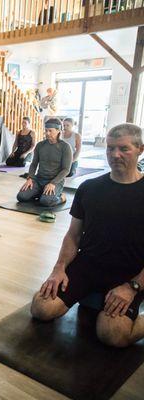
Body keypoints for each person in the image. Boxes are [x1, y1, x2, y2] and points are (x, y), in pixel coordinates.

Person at [30, 123, 144, 348]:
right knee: (41, 308)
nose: (115, 155)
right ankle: (92, 296)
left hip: (131, 273)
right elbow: (73, 236)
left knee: (112, 334)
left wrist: (133, 287)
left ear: (140, 149)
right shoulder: (89, 188)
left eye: (123, 149)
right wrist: (59, 268)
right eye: (110, 148)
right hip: (90, 263)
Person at [16, 118, 72, 206]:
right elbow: (34, 164)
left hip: (55, 181)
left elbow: (66, 170)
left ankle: (61, 197)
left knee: (46, 201)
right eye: (46, 130)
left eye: (50, 131)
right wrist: (30, 178)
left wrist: (53, 183)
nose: (47, 133)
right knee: (21, 197)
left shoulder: (65, 147)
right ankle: (41, 193)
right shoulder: (40, 145)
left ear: (58, 130)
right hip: (39, 180)